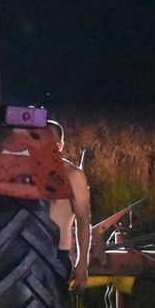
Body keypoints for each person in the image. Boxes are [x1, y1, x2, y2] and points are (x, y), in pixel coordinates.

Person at [48, 120, 91, 291]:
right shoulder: (21, 174)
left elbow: (83, 221)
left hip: (57, 256)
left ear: (59, 145)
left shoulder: (72, 175)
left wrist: (82, 265)